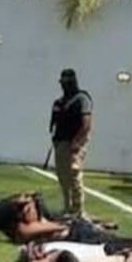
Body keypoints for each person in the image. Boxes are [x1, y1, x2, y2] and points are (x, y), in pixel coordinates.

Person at [49, 68, 92, 217]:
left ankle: (78, 210)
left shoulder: (82, 99)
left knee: (74, 173)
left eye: (67, 82)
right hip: (61, 142)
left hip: (75, 142)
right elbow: (54, 125)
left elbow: (86, 124)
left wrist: (77, 143)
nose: (64, 85)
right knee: (62, 176)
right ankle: (67, 207)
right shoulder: (59, 102)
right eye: (62, 82)